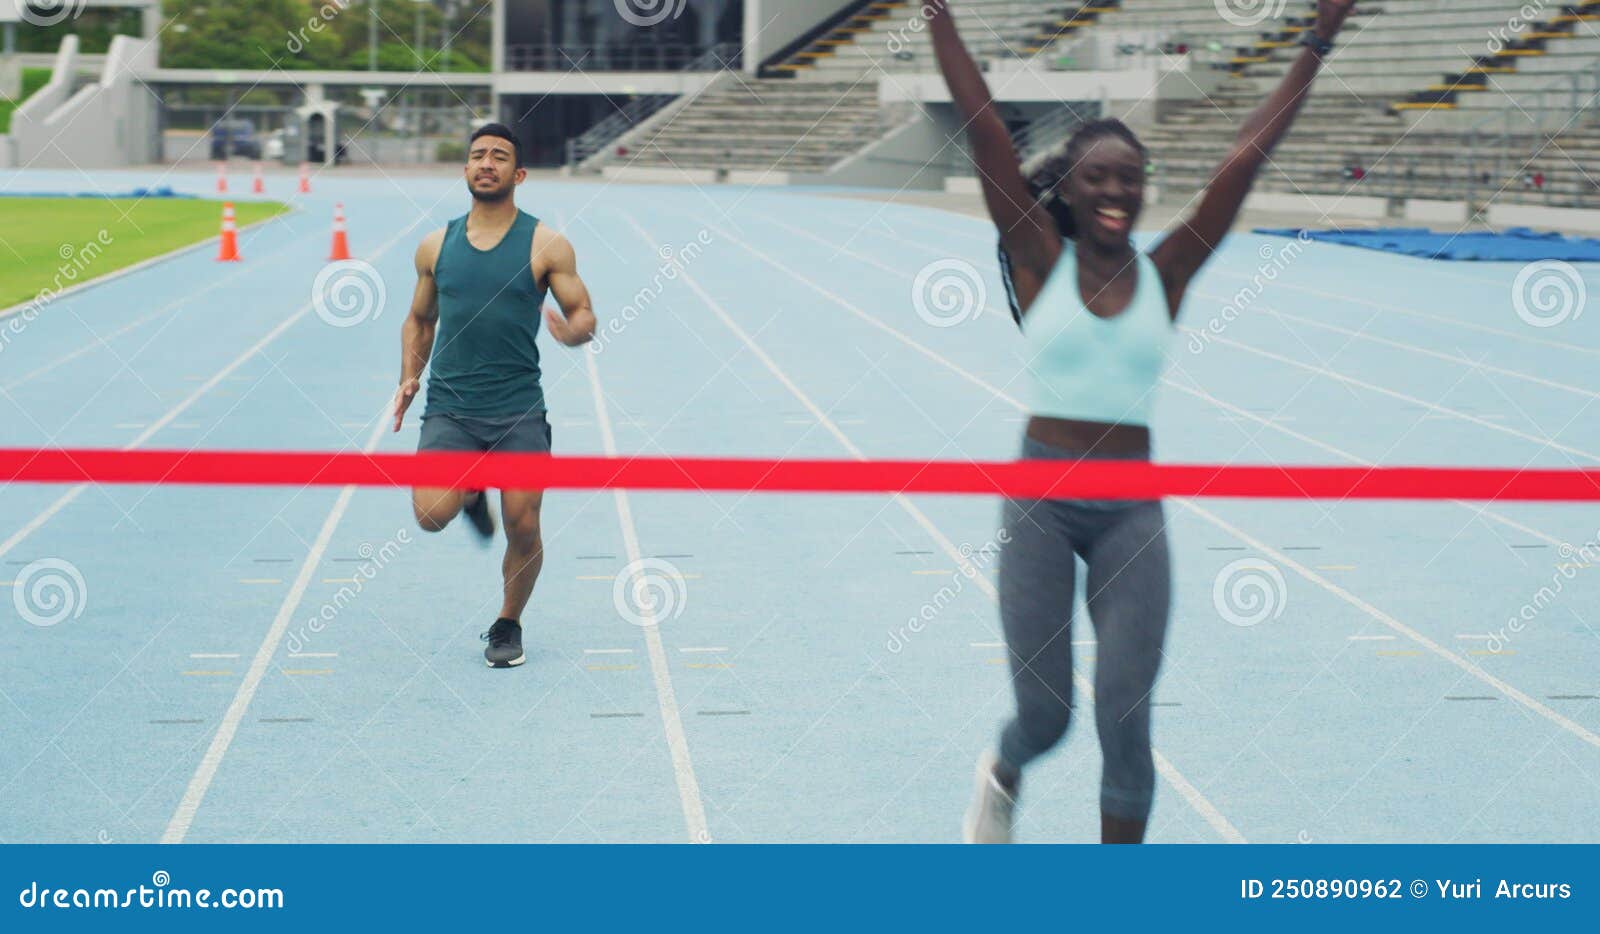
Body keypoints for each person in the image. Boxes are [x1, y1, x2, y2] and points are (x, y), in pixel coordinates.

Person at [929, 0, 1357, 842]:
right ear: (1067, 189)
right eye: (1099, 176)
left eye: (1131, 176)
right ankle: (1005, 767)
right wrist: (940, 16)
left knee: (1126, 721)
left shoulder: (1169, 272)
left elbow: (1245, 158)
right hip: (1041, 502)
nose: (1118, 190)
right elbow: (982, 125)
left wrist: (1316, 41)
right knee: (1046, 719)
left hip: (1133, 508)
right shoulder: (1035, 256)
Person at [392, 122, 597, 669]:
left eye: (499, 157)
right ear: (465, 170)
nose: (487, 163)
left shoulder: (547, 243)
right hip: (451, 407)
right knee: (431, 515)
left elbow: (583, 313)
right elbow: (418, 318)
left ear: (519, 173)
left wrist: (574, 331)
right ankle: (470, 490)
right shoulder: (436, 245)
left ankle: (508, 624)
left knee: (524, 524)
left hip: (518, 408)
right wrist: (409, 377)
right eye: (478, 155)